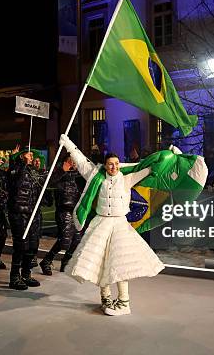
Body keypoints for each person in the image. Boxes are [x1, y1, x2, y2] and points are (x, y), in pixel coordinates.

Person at [59, 134, 164, 316]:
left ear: (119, 164)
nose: (113, 167)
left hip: (119, 225)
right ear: (105, 165)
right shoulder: (96, 178)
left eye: (116, 163)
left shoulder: (127, 179)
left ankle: (124, 302)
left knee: (119, 264)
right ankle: (106, 298)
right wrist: (68, 144)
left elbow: (150, 166)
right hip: (101, 224)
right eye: (110, 164)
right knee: (102, 263)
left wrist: (170, 155)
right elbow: (82, 161)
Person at [7, 148, 46, 290]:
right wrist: (22, 163)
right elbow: (14, 182)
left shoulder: (33, 171)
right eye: (28, 154)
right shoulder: (15, 169)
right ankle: (14, 277)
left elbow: (46, 182)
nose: (31, 156)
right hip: (19, 213)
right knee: (20, 246)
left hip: (33, 213)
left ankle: (26, 274)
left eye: (31, 154)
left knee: (32, 245)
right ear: (21, 156)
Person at [40, 154, 83, 275]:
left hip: (76, 211)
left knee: (77, 239)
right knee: (65, 240)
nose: (73, 164)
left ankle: (66, 262)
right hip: (64, 210)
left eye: (75, 162)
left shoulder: (78, 176)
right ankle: (47, 261)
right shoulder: (58, 172)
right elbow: (48, 183)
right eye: (70, 161)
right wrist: (61, 171)